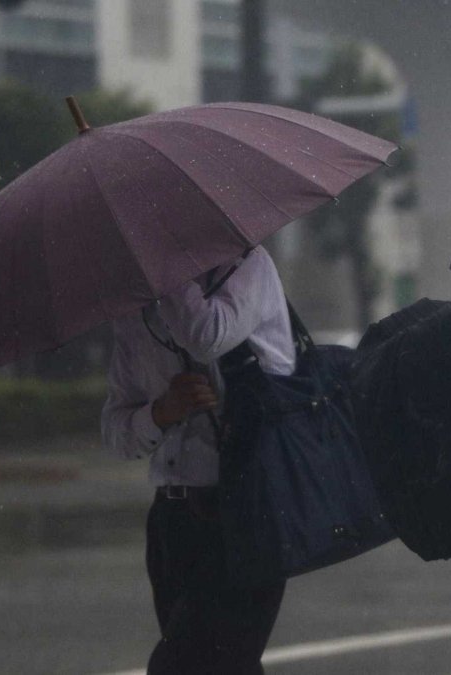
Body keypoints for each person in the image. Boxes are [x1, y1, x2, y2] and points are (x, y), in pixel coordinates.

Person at [102, 245, 294, 675]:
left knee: (182, 665)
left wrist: (164, 269)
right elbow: (115, 430)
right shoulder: (135, 308)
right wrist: (160, 413)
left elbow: (208, 336)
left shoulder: (247, 266)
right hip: (172, 518)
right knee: (223, 665)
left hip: (247, 510)